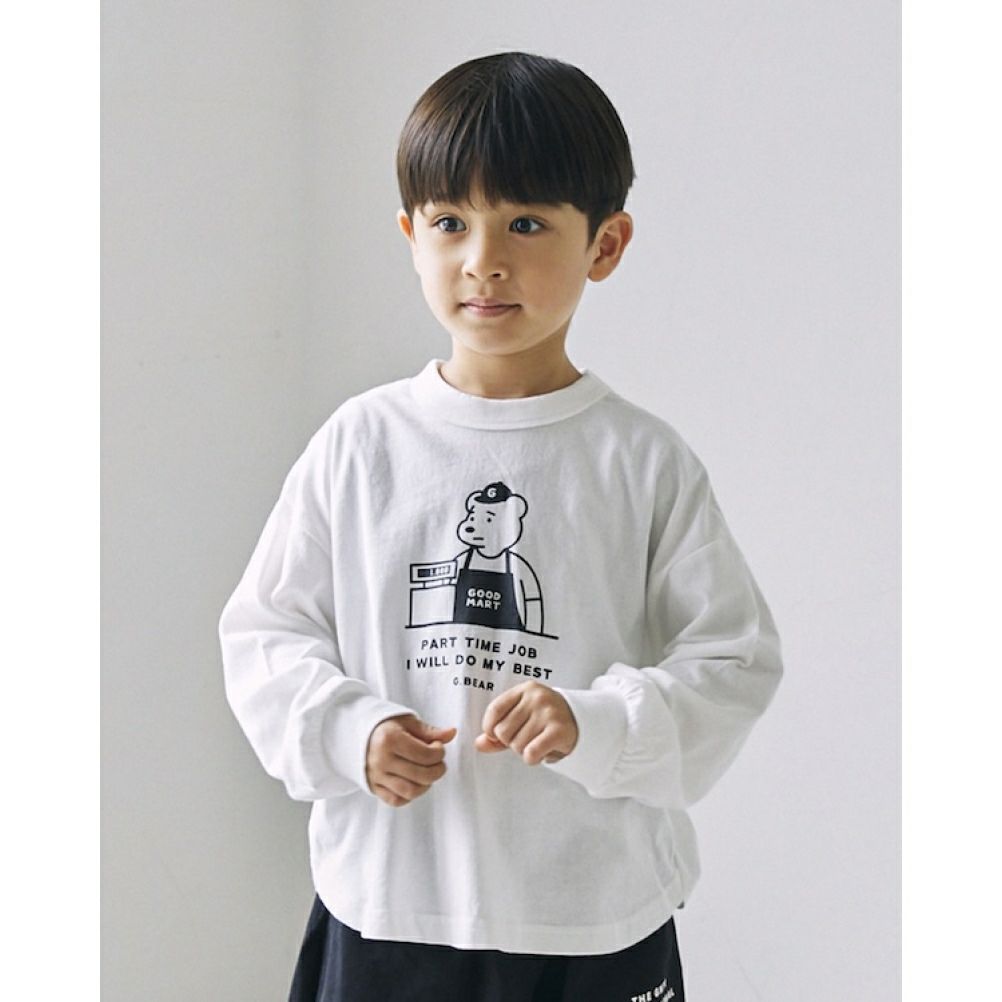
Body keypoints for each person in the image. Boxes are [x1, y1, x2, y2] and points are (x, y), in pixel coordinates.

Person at [218, 50, 783, 1002]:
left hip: (592, 914)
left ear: (605, 244)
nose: (483, 258)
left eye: (525, 222)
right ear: (411, 236)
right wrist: (350, 730)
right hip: (390, 905)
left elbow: (733, 660)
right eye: (450, 222)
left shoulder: (640, 461)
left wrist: (598, 723)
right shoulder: (360, 444)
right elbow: (266, 634)